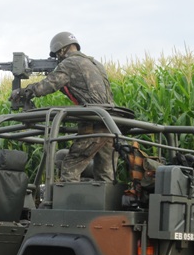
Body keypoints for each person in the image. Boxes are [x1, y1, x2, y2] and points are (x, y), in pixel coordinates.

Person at [9, 31, 116, 182]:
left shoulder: (70, 63)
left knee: (70, 166)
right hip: (110, 123)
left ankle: (68, 204)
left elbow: (47, 85)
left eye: (56, 54)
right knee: (105, 174)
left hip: (94, 123)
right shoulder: (95, 63)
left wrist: (25, 92)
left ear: (61, 50)